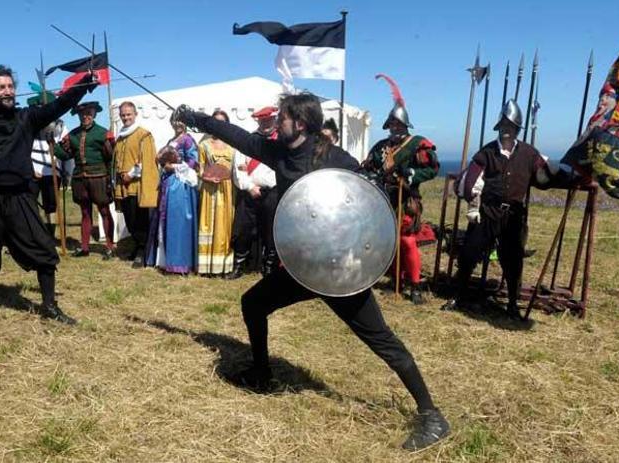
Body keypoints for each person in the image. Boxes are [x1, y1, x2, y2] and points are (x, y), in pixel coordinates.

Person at [171, 92, 450, 451]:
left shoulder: (337, 159)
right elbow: (238, 136)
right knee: (253, 303)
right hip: (304, 268)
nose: (277, 124)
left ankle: (431, 415)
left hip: (339, 272)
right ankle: (261, 373)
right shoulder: (279, 152)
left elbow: (365, 204)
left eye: (283, 118)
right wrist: (198, 118)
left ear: (299, 124)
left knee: (382, 340)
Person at [0, 65, 95, 328]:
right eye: (1, 87)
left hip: (20, 197)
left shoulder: (27, 117)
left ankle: (49, 306)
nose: (8, 91)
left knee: (44, 251)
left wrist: (83, 84)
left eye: (10, 86)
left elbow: (59, 105)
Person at [443, 99, 552, 320]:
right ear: (499, 128)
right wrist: (473, 205)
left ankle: (512, 304)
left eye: (510, 127)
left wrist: (554, 172)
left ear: (516, 129)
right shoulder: (487, 152)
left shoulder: (530, 154)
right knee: (469, 254)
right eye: (503, 127)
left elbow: (543, 178)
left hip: (513, 215)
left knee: (513, 259)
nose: (506, 131)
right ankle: (458, 296)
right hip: (488, 212)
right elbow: (470, 181)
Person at [361, 100, 439, 305]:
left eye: (399, 125)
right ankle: (397, 280)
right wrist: (371, 176)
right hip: (383, 199)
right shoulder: (381, 147)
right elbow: (368, 166)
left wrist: (412, 174)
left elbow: (432, 168)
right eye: (392, 124)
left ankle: (415, 287)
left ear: (406, 125)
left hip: (406, 199)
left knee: (407, 241)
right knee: (390, 242)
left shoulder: (417, 144)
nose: (395, 128)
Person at [54, 101, 117, 259]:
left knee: (104, 211)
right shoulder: (73, 135)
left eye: (89, 113)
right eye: (82, 114)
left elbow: (111, 159)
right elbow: (66, 155)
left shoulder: (104, 133)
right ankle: (84, 247)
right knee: (85, 213)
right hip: (79, 178)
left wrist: (111, 179)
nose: (85, 116)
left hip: (100, 177)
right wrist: (53, 146)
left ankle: (109, 246)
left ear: (94, 114)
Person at [229, 106, 278, 279]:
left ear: (274, 120)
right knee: (243, 229)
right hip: (250, 190)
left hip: (273, 191)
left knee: (271, 231)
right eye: (262, 120)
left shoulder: (281, 142)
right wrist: (250, 186)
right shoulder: (249, 141)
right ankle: (239, 266)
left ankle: (269, 268)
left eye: (269, 120)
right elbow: (238, 167)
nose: (266, 123)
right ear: (258, 121)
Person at [145, 120, 199, 273]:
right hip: (167, 183)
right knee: (165, 221)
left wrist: (174, 166)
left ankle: (180, 262)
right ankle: (164, 259)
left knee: (178, 222)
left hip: (180, 185)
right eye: (174, 121)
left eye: (180, 122)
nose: (177, 125)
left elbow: (193, 162)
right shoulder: (171, 140)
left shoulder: (188, 140)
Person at [113, 101, 159, 268]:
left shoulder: (143, 135)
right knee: (129, 220)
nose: (126, 117)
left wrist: (131, 174)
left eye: (128, 114)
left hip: (136, 186)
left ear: (135, 114)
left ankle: (143, 251)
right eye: (123, 115)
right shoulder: (120, 137)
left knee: (139, 219)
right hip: (122, 186)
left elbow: (146, 160)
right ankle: (137, 245)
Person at [197, 110, 236, 276]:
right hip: (209, 189)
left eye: (222, 122)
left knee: (224, 225)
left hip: (227, 189)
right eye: (216, 122)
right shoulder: (203, 145)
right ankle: (206, 266)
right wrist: (206, 177)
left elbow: (237, 168)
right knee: (208, 223)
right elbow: (199, 168)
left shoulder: (234, 146)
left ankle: (223, 266)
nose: (219, 125)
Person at [29, 121, 60, 234]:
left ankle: (50, 234)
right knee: (30, 203)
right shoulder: (30, 125)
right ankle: (33, 232)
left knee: (51, 205)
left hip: (52, 172)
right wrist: (30, 169)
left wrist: (64, 171)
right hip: (33, 171)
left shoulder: (59, 125)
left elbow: (63, 146)